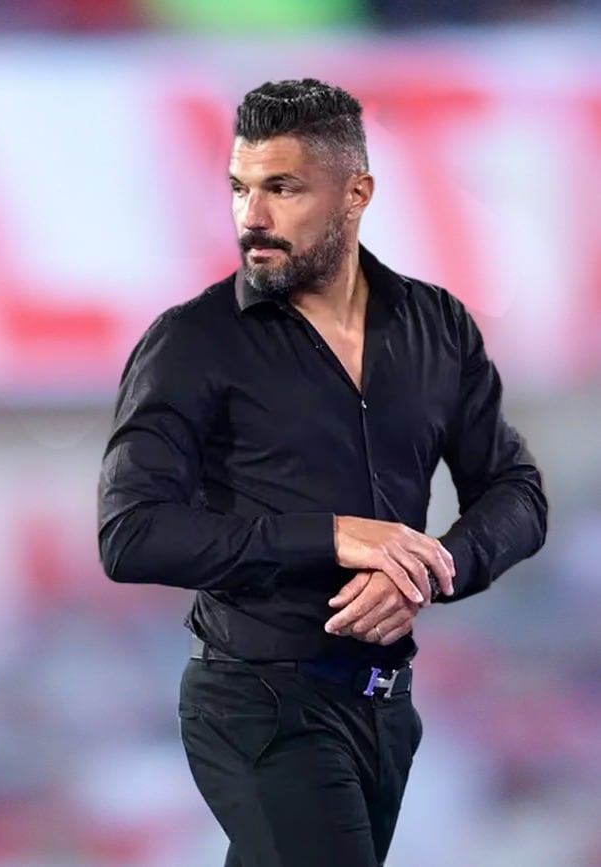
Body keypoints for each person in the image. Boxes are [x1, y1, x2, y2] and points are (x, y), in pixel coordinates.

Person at [97, 78, 546, 866]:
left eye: (282, 189)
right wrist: (335, 536)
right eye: (239, 188)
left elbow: (517, 493)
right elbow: (130, 533)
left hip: (384, 709)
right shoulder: (193, 341)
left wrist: (428, 569)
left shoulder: (436, 325)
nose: (251, 217)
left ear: (355, 192)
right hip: (256, 703)